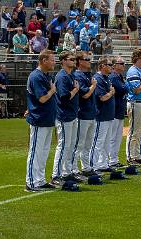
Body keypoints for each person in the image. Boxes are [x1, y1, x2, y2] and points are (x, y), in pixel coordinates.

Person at [25, 50, 57, 192]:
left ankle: (40, 180)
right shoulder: (36, 76)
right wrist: (52, 90)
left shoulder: (45, 75)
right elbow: (42, 98)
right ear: (43, 60)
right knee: (36, 151)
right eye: (52, 60)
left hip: (47, 119)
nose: (54, 62)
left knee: (43, 152)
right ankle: (31, 182)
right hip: (39, 119)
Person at [51, 51, 80, 186]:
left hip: (72, 115)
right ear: (63, 61)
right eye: (71, 59)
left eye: (74, 59)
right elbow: (63, 96)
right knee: (63, 146)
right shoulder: (62, 76)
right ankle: (56, 174)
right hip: (64, 116)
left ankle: (67, 172)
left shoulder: (71, 75)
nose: (74, 61)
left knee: (71, 146)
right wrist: (75, 90)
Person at [72, 52, 98, 177]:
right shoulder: (78, 75)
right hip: (82, 114)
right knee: (79, 143)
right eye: (86, 59)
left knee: (88, 144)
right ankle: (74, 169)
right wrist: (93, 86)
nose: (89, 61)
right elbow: (85, 94)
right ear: (80, 61)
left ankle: (86, 167)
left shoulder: (87, 75)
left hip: (91, 113)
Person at [89, 57, 116, 173]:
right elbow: (102, 97)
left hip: (108, 115)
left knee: (106, 142)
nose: (112, 67)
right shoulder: (98, 78)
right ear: (102, 66)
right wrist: (111, 92)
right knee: (98, 142)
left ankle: (103, 163)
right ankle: (93, 166)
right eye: (109, 65)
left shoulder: (107, 78)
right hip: (101, 115)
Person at [125, 48, 141, 165]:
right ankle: (131, 157)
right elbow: (136, 90)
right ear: (137, 58)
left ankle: (138, 155)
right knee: (134, 131)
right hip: (136, 102)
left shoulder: (139, 71)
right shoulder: (133, 71)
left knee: (139, 131)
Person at [109, 56, 128, 168]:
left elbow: (125, 87)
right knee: (112, 138)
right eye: (121, 63)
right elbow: (123, 89)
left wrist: (125, 86)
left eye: (123, 63)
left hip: (120, 110)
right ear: (114, 65)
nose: (123, 65)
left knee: (117, 137)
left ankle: (114, 160)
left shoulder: (119, 77)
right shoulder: (113, 77)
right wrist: (125, 86)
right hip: (114, 111)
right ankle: (110, 160)